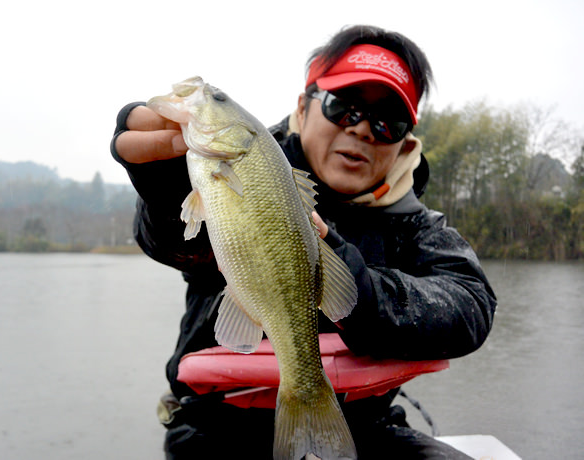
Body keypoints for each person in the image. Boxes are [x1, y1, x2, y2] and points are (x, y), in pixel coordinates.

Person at [110, 25, 496, 460]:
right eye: (343, 107)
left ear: (406, 140)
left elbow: (471, 304)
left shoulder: (417, 226)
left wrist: (357, 287)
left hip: (365, 427)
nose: (364, 130)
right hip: (214, 429)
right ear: (303, 106)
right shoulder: (247, 167)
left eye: (388, 121)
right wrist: (164, 191)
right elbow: (177, 246)